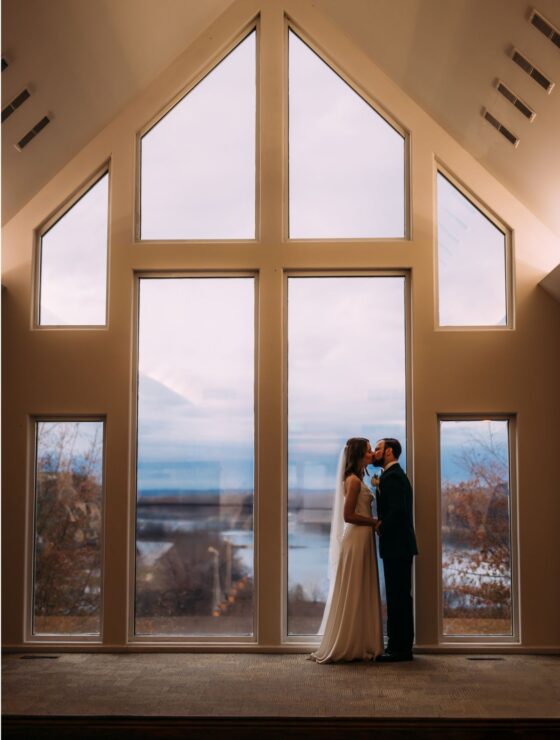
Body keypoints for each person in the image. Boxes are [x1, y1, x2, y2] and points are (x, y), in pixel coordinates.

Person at [309, 437, 384, 663]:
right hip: (357, 537)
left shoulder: (358, 478)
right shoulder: (352, 481)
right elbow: (348, 515)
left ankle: (361, 640)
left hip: (363, 538)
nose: (372, 454)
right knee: (355, 588)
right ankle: (350, 642)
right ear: (360, 454)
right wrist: (374, 522)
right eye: (369, 450)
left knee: (361, 587)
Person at [372, 438, 418, 662]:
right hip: (397, 546)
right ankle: (397, 646)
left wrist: (380, 526)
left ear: (389, 452)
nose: (374, 452)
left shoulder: (394, 477)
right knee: (396, 596)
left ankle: (400, 649)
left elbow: (398, 512)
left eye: (378, 449)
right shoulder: (391, 476)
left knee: (398, 598)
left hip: (398, 546)